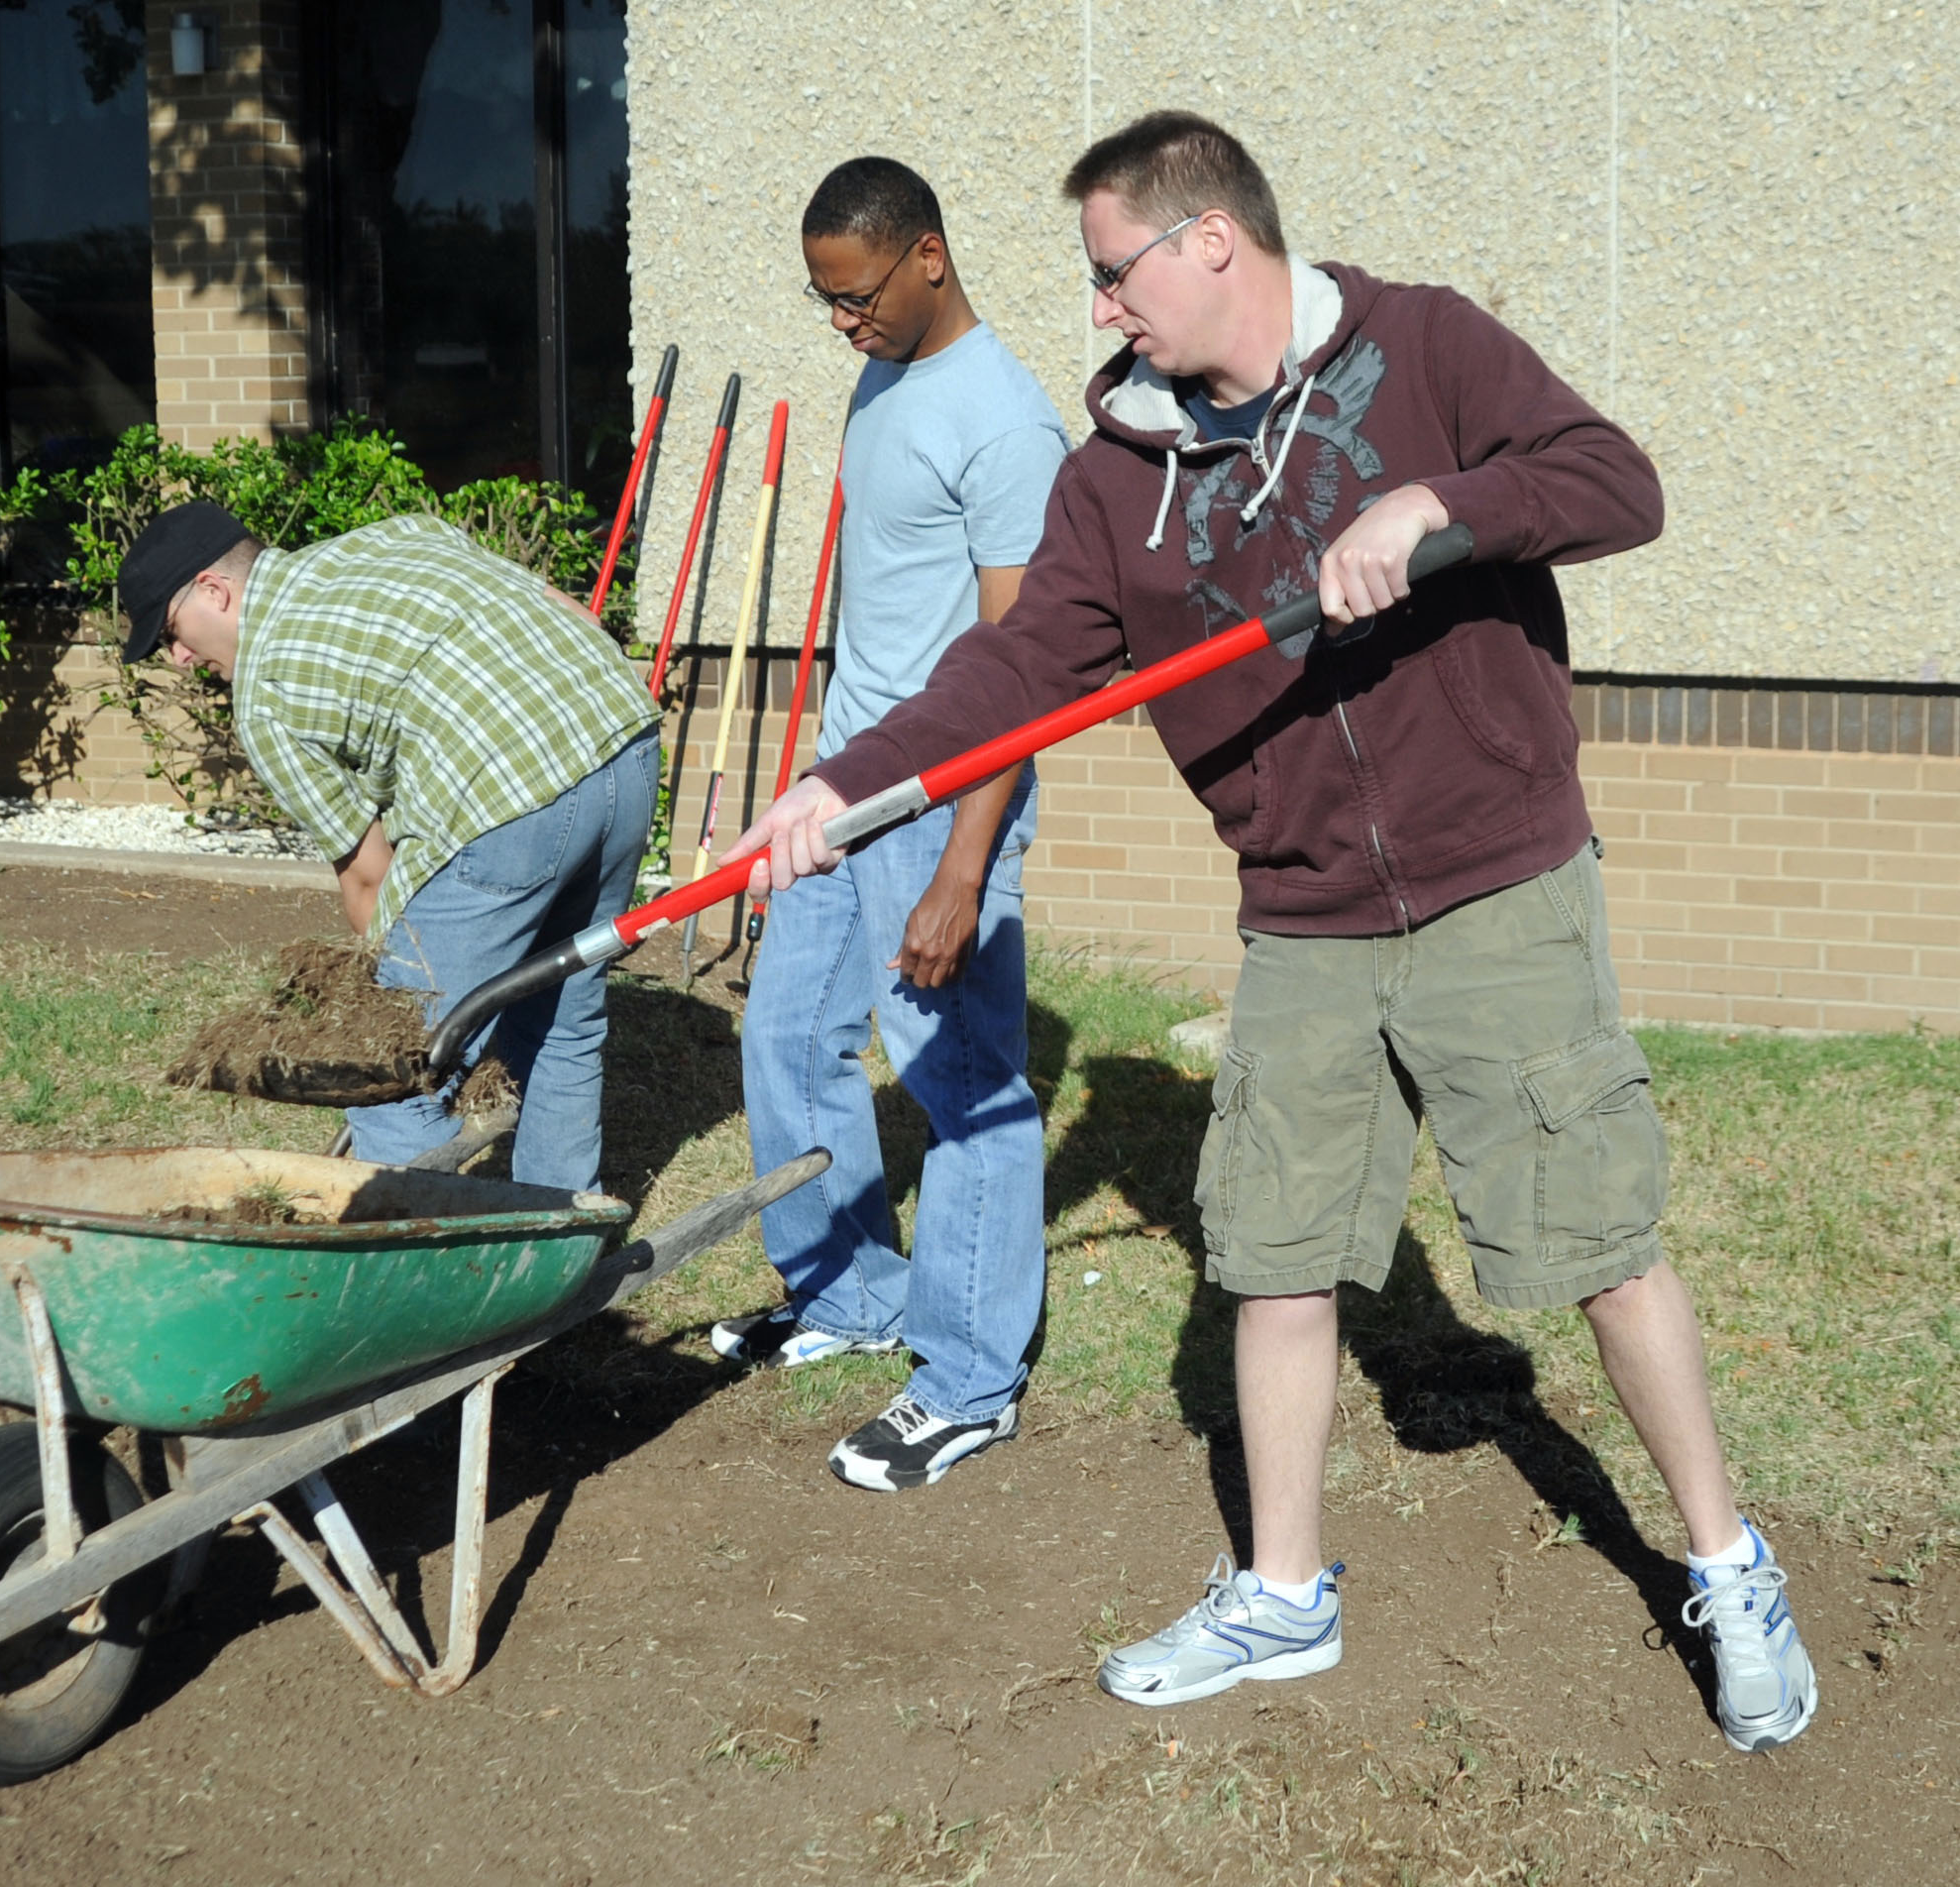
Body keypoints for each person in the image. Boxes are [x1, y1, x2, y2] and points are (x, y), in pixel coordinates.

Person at [733, 112, 1814, 1750]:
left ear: (1208, 241)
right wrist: (846, 784)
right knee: (1277, 1254)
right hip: (1304, 909)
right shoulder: (1119, 484)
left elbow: (1616, 483)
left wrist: (1435, 509)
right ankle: (1284, 1592)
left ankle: (1729, 1564)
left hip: (1494, 876)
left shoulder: (1426, 347)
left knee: (1593, 1238)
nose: (1101, 309)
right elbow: (1012, 674)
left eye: (1115, 273)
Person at [711, 159, 1069, 1494]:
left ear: (927, 255)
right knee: (792, 1036)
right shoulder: (887, 375)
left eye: (856, 296)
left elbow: (1023, 666)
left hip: (935, 810)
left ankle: (970, 1376)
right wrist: (816, 776)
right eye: (824, 302)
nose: (842, 323)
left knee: (962, 1085)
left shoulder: (1007, 426)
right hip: (843, 786)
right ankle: (851, 1292)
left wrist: (964, 869)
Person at [116, 500, 661, 1194]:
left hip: (512, 803)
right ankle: (559, 1236)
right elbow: (562, 608)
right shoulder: (395, 535)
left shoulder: (267, 692)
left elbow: (371, 882)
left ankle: (421, 1274)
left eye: (170, 633)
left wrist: (388, 998)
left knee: (392, 1072)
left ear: (214, 591)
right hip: (624, 738)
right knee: (560, 1017)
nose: (181, 659)